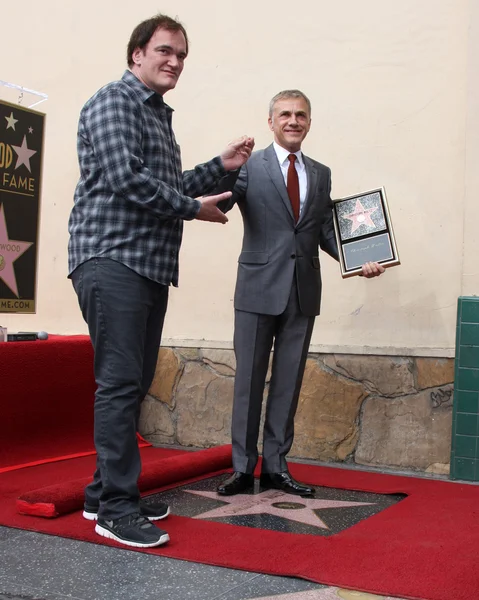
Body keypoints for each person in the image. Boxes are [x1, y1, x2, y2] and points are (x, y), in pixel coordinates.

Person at [67, 13, 254, 549]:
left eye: (181, 56)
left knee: (133, 384)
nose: (174, 62)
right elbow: (128, 180)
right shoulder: (114, 102)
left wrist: (221, 165)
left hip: (147, 267)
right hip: (112, 260)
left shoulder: (155, 116)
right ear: (137, 55)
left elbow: (169, 185)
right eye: (165, 51)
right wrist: (193, 210)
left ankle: (103, 493)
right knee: (120, 385)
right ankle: (117, 511)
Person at [216, 90, 384, 497]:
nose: (293, 121)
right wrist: (220, 170)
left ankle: (275, 465)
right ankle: (242, 468)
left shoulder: (321, 173)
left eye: (301, 115)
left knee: (288, 382)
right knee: (249, 382)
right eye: (285, 115)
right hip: (257, 288)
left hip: (303, 291)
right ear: (271, 122)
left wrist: (357, 258)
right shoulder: (249, 166)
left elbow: (324, 229)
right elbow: (219, 201)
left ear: (309, 122)